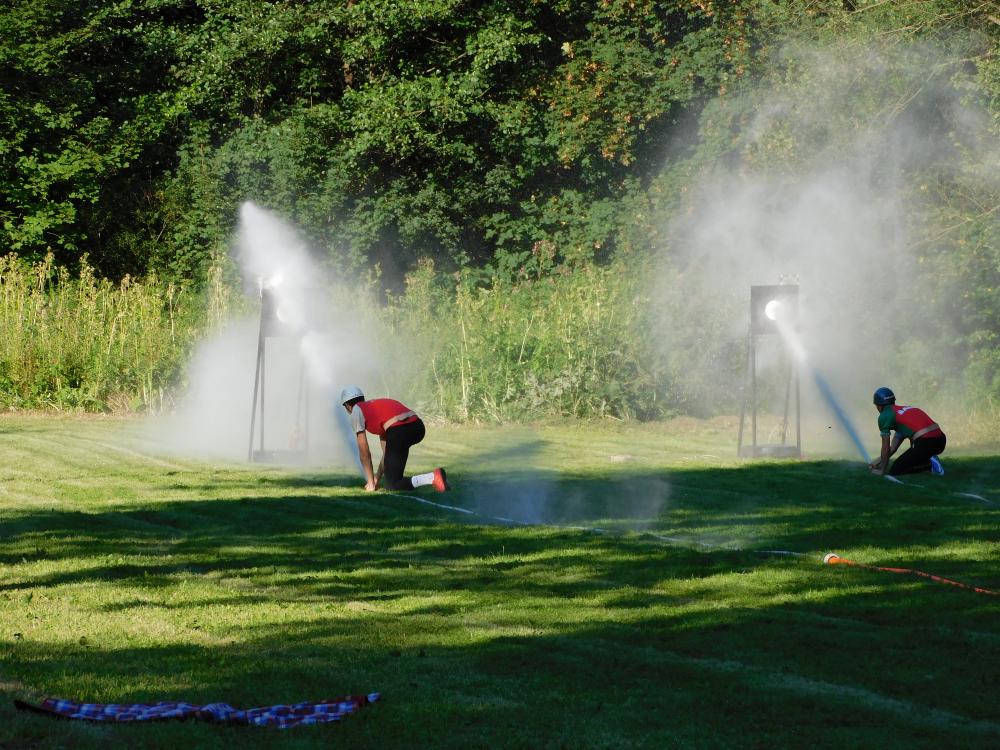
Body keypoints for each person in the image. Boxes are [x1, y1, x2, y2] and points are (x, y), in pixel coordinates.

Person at [339, 386, 449, 492]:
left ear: (348, 406)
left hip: (399, 431)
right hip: (418, 427)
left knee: (392, 484)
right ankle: (438, 480)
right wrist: (377, 477)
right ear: (362, 398)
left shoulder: (356, 411)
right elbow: (387, 453)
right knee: (391, 475)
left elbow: (364, 453)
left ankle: (432, 477)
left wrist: (371, 483)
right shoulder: (375, 407)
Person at [869, 387, 946, 476]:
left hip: (925, 443)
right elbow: (892, 448)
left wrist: (882, 470)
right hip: (941, 440)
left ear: (879, 406)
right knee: (908, 460)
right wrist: (877, 461)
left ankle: (929, 464)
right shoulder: (903, 412)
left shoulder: (885, 416)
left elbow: (886, 448)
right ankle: (928, 459)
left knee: (895, 471)